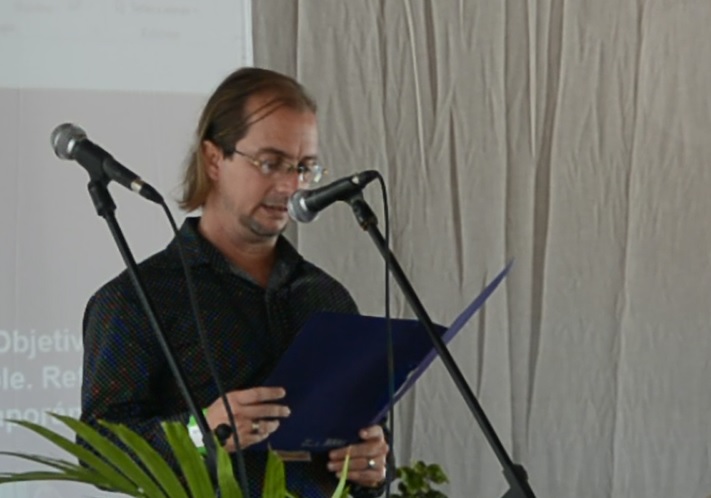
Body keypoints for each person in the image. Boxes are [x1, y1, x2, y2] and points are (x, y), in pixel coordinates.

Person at [79, 67, 389, 497]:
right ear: (213, 159)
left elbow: (357, 446)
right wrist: (199, 432)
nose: (291, 186)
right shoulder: (136, 299)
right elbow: (99, 453)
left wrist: (369, 468)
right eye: (270, 162)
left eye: (304, 167)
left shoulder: (326, 297)